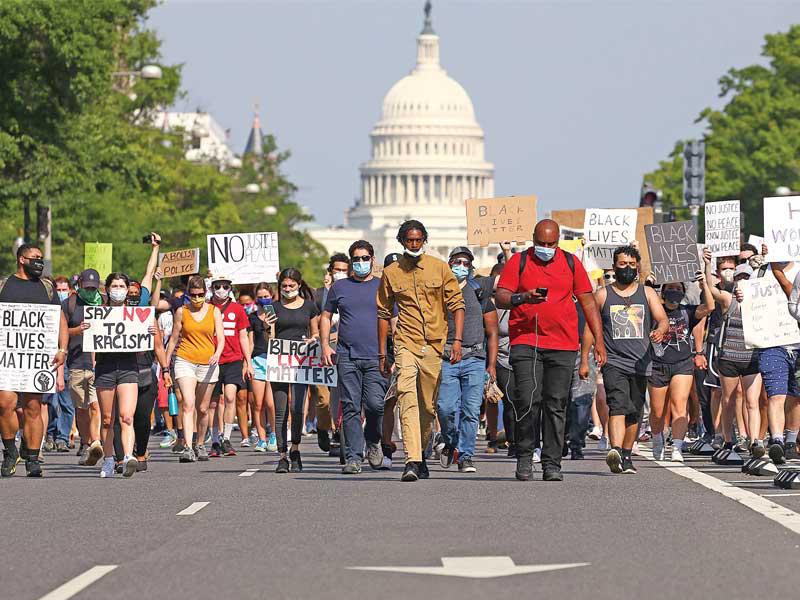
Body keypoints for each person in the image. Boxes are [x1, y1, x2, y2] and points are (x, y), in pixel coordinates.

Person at [496, 219, 606, 482]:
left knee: (556, 404)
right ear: (533, 239)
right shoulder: (519, 261)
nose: (546, 248)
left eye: (551, 244)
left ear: (558, 241)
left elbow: (588, 302)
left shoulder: (570, 262)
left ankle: (552, 463)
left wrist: (599, 342)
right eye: (541, 243)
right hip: (526, 341)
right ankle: (524, 456)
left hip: (563, 345)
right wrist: (522, 297)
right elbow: (501, 295)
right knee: (528, 401)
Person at [377, 220, 465, 482]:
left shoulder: (439, 268)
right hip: (406, 342)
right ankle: (412, 460)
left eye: (417, 240)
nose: (413, 245)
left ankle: (422, 452)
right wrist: (384, 352)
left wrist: (457, 341)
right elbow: (383, 312)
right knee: (406, 396)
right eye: (408, 240)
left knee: (427, 406)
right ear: (401, 241)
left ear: (424, 240)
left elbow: (457, 305)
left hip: (434, 345)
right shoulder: (391, 272)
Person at [583, 245, 668, 474]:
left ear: (637, 267)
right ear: (614, 265)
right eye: (623, 264)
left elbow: (663, 319)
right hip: (613, 362)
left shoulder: (647, 293)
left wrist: (660, 330)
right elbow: (591, 328)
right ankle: (616, 451)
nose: (627, 268)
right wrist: (585, 358)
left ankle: (628, 454)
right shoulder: (602, 295)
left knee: (635, 412)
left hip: (641, 362)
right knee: (618, 405)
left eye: (632, 264)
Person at [0, 244, 68, 477]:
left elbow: (60, 321)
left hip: (37, 359)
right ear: (21, 259)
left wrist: (62, 349)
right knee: (5, 404)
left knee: (33, 407)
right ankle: (10, 452)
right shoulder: (4, 285)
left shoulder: (47, 288)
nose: (39, 261)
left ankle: (31, 458)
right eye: (34, 258)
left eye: (41, 258)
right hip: (7, 357)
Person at [321, 240, 387, 474]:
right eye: (356, 259)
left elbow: (394, 319)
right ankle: (353, 457)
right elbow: (326, 316)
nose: (360, 263)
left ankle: (373, 441)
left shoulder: (382, 286)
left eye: (364, 258)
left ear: (372, 259)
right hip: (347, 355)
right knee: (350, 407)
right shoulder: (340, 288)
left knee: (375, 405)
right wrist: (325, 345)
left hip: (376, 357)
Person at [436, 247, 498, 473]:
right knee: (445, 408)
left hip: (474, 358)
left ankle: (466, 456)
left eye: (465, 262)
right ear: (449, 263)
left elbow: (492, 332)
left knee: (471, 410)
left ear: (471, 267)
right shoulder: (440, 290)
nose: (460, 266)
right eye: (456, 262)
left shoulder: (478, 291)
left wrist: (491, 365)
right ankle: (449, 440)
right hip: (447, 358)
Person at [647, 274, 714, 462]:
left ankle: (677, 446)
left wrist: (704, 285)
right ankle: (658, 438)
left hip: (682, 364)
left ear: (684, 292)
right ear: (663, 291)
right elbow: (641, 301)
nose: (674, 292)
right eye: (671, 288)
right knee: (658, 410)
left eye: (678, 289)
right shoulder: (654, 310)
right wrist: (648, 283)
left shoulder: (688, 312)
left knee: (680, 404)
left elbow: (709, 307)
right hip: (657, 364)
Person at [704, 255, 763, 456]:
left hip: (752, 357)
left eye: (748, 277)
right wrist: (707, 265)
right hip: (729, 356)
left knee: (752, 401)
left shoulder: (761, 303)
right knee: (728, 400)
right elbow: (711, 290)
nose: (744, 281)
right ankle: (728, 440)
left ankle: (755, 440)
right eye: (741, 278)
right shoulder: (728, 299)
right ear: (735, 281)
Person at [165, 275, 225, 463]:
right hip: (185, 360)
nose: (197, 298)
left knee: (203, 408)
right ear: (188, 294)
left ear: (205, 293)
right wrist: (165, 365)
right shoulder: (182, 311)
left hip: (208, 363)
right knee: (188, 403)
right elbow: (174, 338)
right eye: (193, 294)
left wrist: (217, 353)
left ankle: (200, 443)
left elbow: (221, 337)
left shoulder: (214, 311)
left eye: (200, 294)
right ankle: (188, 447)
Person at [271, 268, 320, 473]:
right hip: (279, 363)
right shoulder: (272, 307)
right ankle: (282, 456)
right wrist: (267, 328)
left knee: (297, 408)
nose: (288, 289)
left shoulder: (310, 307)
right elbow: (271, 338)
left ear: (299, 285)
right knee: (281, 410)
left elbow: (316, 332)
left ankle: (296, 448)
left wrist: (313, 340)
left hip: (302, 361)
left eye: (291, 286)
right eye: (284, 286)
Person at [752, 256, 800, 462]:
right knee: (776, 394)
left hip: (797, 345)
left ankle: (791, 441)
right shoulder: (759, 273)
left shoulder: (798, 269)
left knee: (796, 396)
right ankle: (778, 441)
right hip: (772, 343)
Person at [207, 275, 252, 457]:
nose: (221, 289)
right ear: (211, 288)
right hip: (211, 359)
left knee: (231, 397)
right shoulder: (207, 307)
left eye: (225, 286)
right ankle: (215, 440)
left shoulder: (237, 309)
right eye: (218, 286)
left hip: (233, 358)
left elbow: (243, 336)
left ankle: (226, 438)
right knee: (213, 402)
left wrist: (248, 362)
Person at [63, 269, 105, 466]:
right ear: (79, 284)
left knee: (96, 405)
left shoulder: (104, 303)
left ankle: (95, 442)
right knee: (81, 408)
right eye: (86, 287)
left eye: (93, 288)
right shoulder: (69, 304)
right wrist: (76, 330)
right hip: (76, 364)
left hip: (99, 364)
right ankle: (86, 442)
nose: (89, 291)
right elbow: (60, 332)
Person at [312, 254, 348, 452]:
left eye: (344, 270)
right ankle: (322, 427)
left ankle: (338, 432)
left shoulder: (351, 291)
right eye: (337, 270)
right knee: (323, 398)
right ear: (330, 272)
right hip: (322, 351)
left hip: (344, 350)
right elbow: (311, 319)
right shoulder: (319, 295)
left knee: (340, 395)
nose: (340, 274)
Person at [44, 276, 75, 453]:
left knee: (67, 403)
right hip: (50, 360)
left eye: (65, 290)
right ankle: (49, 435)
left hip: (69, 360)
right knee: (49, 401)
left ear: (70, 291)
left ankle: (62, 438)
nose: (61, 293)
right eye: (58, 290)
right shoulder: (50, 309)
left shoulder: (69, 309)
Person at [249, 282, 278, 452]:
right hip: (257, 360)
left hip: (273, 360)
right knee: (258, 404)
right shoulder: (252, 317)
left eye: (266, 296)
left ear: (272, 296)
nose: (263, 299)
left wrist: (269, 325)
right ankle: (261, 438)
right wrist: (247, 363)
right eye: (260, 297)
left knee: (271, 403)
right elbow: (251, 342)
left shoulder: (276, 314)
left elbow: (275, 338)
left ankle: (273, 434)